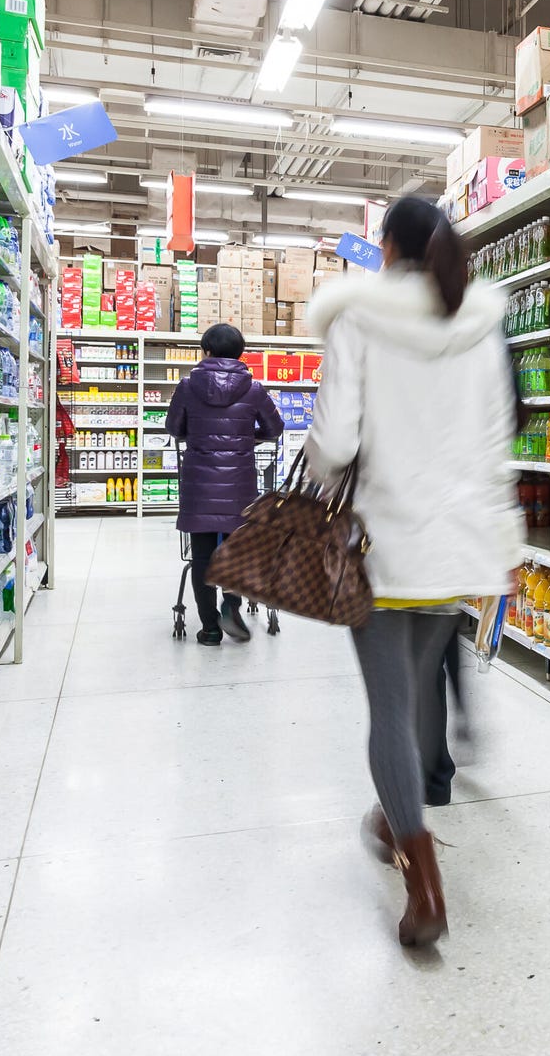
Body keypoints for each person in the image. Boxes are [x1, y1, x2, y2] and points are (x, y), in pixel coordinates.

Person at [305, 197, 524, 947]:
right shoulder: (482, 322)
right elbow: (499, 444)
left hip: (381, 546)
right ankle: (393, 811)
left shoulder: (357, 318)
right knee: (421, 693)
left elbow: (333, 441)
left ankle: (423, 882)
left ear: (386, 249)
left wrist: (330, 463)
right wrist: (504, 547)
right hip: (455, 549)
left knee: (389, 709)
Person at [165, 322, 284, 646]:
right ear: (240, 353)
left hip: (200, 484)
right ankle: (231, 605)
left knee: (202, 555)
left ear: (205, 351)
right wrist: (249, 438)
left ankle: (210, 628)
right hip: (240, 484)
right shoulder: (254, 389)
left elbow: (174, 428)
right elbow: (275, 429)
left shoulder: (188, 386)